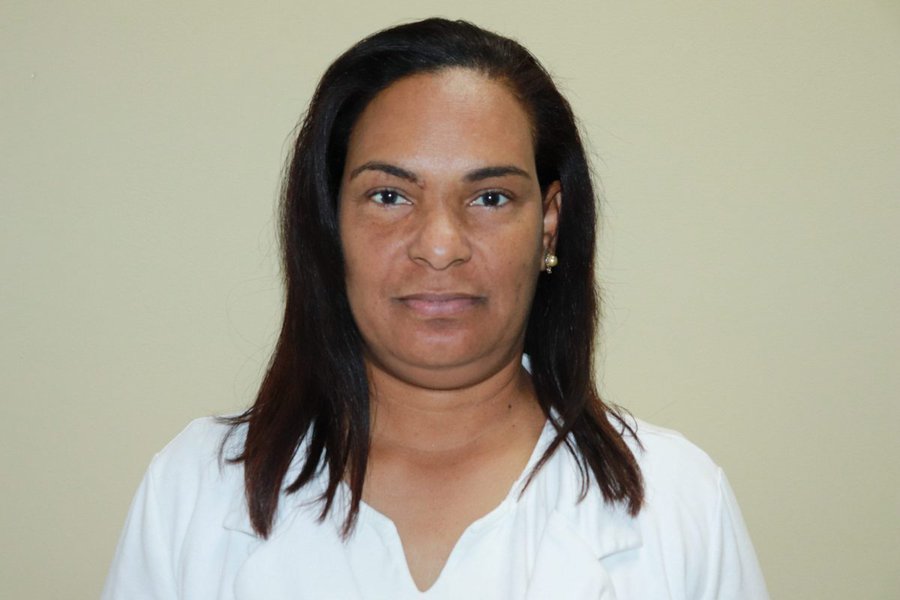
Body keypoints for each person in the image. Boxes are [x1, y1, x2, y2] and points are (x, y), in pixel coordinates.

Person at [102, 18, 768, 599]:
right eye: (390, 196)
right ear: (330, 221)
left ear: (549, 224)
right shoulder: (192, 491)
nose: (441, 246)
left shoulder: (679, 502)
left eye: (490, 198)